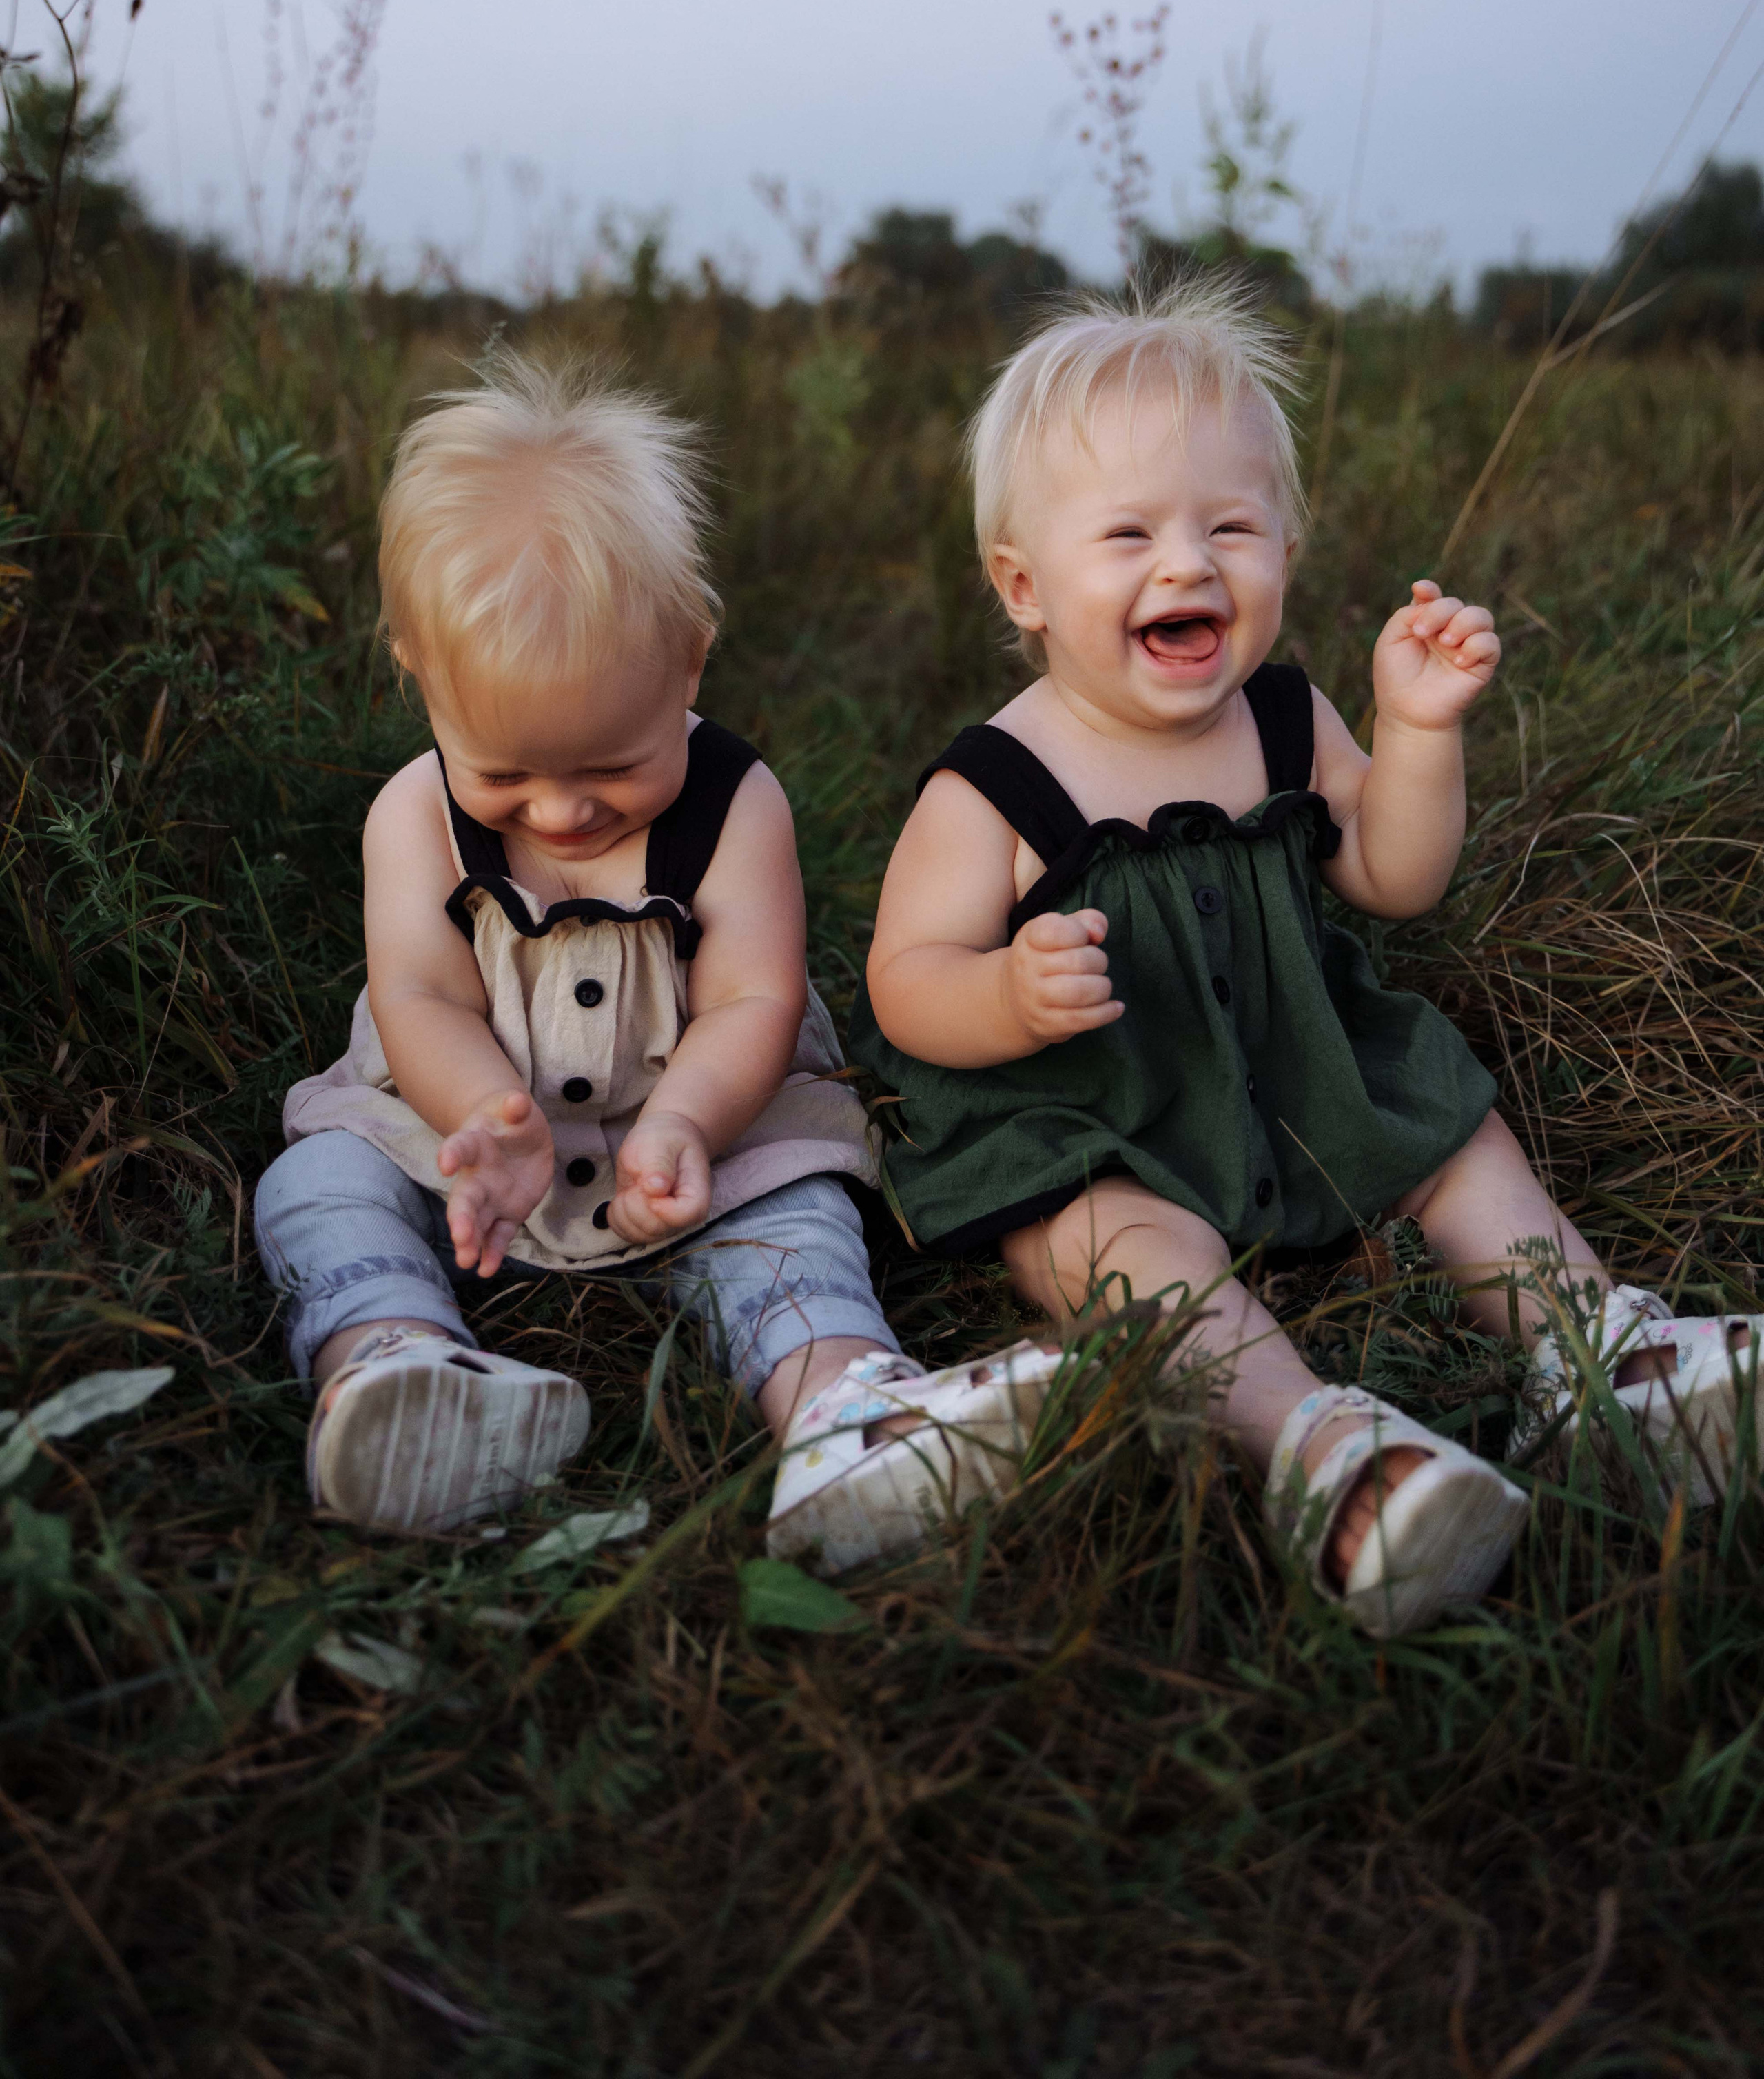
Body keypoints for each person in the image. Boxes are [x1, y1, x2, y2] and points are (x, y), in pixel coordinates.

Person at [850, 280, 1764, 1635]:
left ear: (1282, 542)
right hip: (1099, 1108)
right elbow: (899, 979)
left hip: (1294, 1070)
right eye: (1127, 536)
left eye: (1229, 526)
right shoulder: (996, 781)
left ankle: (1593, 1350)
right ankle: (1316, 1446)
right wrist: (998, 991)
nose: (1187, 567)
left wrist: (1415, 731)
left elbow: (1389, 875)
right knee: (1113, 1246)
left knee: (1450, 1135)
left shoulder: (1282, 716)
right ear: (1022, 585)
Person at [256, 354, 1055, 1563]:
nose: (565, 813)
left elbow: (754, 996)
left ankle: (848, 1408)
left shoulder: (737, 806)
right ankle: (394, 1360)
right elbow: (417, 994)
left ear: (690, 660)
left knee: (793, 1224)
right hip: (464, 1138)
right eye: (508, 777)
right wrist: (482, 1113)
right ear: (418, 674)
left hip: (702, 1130)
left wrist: (686, 1122)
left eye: (613, 769)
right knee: (318, 1187)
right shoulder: (412, 817)